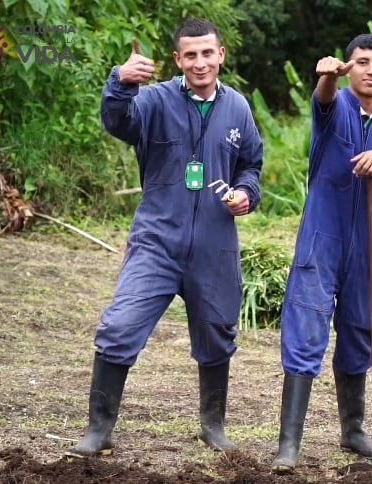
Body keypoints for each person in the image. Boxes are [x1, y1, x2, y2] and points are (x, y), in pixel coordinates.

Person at [64, 18, 263, 458]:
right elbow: (117, 121)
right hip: (157, 239)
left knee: (217, 333)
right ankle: (99, 431)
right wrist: (119, 82)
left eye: (207, 53)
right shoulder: (153, 100)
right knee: (119, 327)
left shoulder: (238, 109)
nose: (200, 63)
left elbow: (251, 164)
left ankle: (213, 426)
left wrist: (247, 193)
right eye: (190, 55)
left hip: (215, 243)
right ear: (177, 59)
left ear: (221, 55)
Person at [270, 33, 372, 474]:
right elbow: (324, 97)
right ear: (349, 68)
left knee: (359, 332)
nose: (371, 69)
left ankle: (353, 430)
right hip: (323, 235)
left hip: (368, 242)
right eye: (362, 62)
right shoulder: (332, 108)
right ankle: (288, 444)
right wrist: (326, 78)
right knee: (306, 327)